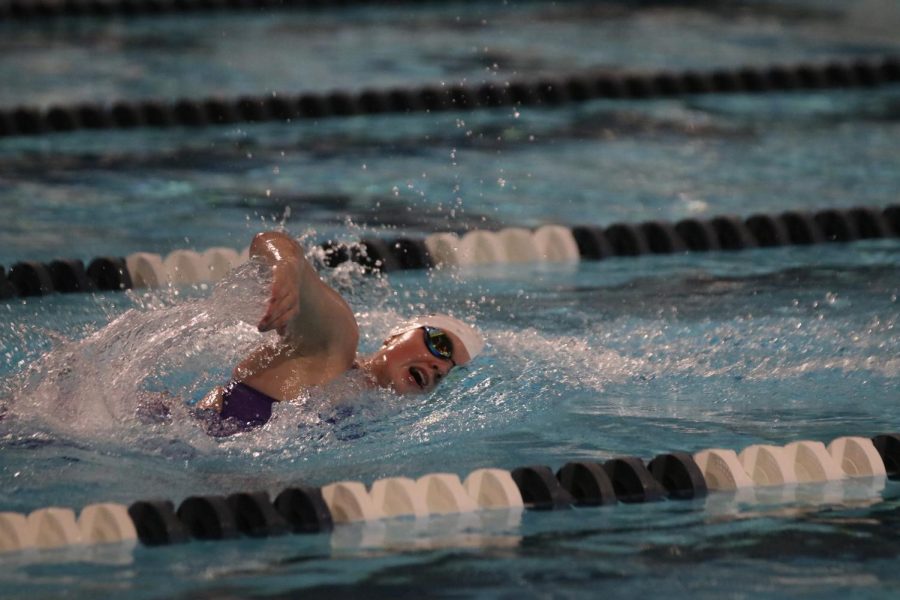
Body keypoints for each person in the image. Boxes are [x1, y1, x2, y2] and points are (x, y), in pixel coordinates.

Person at [195, 231, 484, 434]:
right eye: (439, 344)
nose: (441, 367)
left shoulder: (375, 415)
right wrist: (286, 265)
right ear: (396, 334)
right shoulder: (334, 349)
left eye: (452, 370)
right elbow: (269, 240)